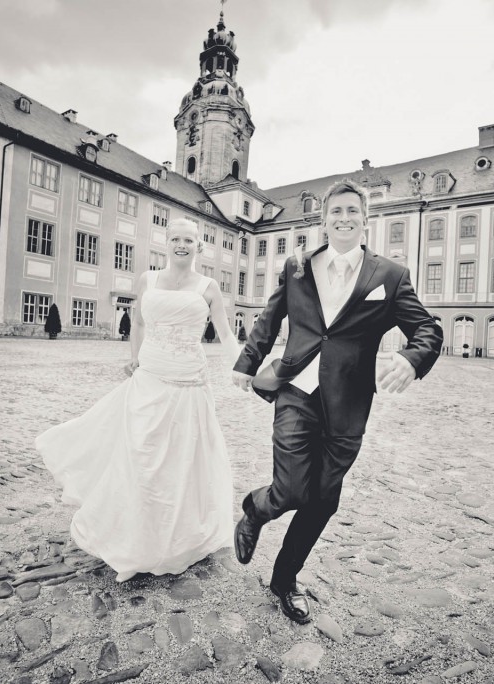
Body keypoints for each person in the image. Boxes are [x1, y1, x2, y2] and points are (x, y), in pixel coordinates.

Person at [231, 179, 443, 623]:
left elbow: (428, 330)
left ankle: (285, 581)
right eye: (336, 212)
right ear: (323, 219)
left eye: (352, 211)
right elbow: (271, 318)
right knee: (289, 489)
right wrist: (247, 361)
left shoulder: (390, 275)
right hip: (296, 393)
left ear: (366, 219)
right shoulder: (297, 266)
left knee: (323, 500)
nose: (344, 218)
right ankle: (255, 508)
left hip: (348, 405)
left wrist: (411, 357)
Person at [36, 218, 239, 582]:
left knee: (181, 457)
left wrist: (244, 366)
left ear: (199, 246)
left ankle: (177, 534)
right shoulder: (148, 279)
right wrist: (135, 356)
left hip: (189, 380)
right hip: (150, 375)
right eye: (175, 238)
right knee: (141, 453)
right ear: (166, 243)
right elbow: (141, 324)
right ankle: (132, 533)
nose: (181, 244)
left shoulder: (209, 287)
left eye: (188, 240)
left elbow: (225, 331)